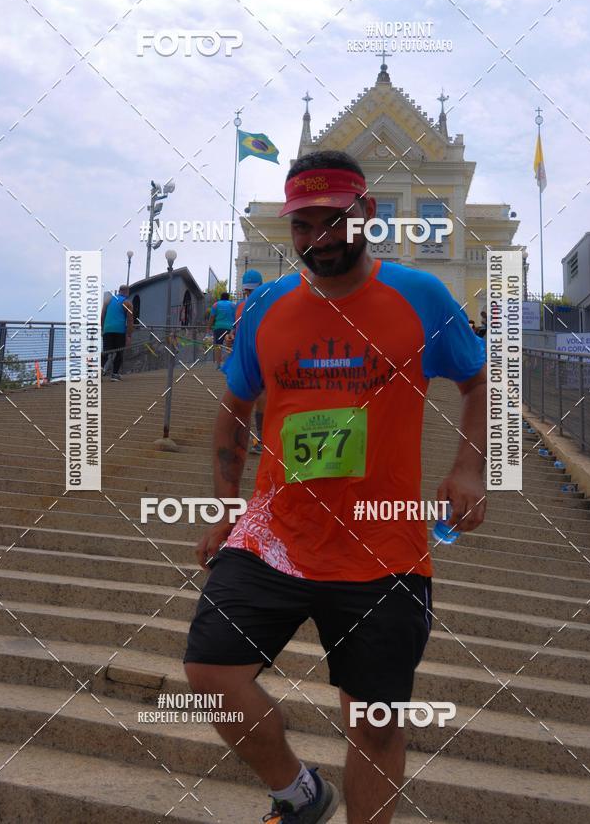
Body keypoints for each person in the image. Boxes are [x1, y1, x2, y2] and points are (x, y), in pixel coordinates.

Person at [184, 150, 487, 824]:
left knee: (375, 724)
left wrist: (469, 467)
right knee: (210, 673)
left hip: (386, 548)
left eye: (336, 219)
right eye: (303, 224)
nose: (319, 237)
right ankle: (298, 793)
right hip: (274, 536)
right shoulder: (267, 306)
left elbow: (477, 379)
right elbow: (235, 408)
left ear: (368, 216)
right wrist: (226, 510)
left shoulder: (421, 296)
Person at [235, 269, 266, 454]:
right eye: (248, 291)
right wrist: (232, 337)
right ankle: (256, 439)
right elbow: (237, 331)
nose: (250, 293)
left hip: (257, 356)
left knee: (258, 397)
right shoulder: (241, 306)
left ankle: (259, 439)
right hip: (247, 358)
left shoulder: (267, 303)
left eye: (252, 290)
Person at [101, 285, 133, 381]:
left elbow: (102, 315)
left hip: (107, 329)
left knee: (106, 351)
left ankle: (99, 370)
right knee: (119, 352)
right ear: (127, 292)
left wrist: (103, 329)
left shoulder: (108, 300)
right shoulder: (127, 303)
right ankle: (115, 374)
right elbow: (130, 320)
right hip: (120, 330)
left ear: (119, 291)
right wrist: (129, 335)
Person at [209, 292, 236, 367]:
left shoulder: (216, 305)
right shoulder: (233, 305)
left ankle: (218, 365)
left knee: (218, 346)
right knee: (229, 345)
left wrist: (208, 327)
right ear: (228, 297)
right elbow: (236, 316)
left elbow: (212, 317)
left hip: (218, 328)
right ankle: (230, 364)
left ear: (221, 297)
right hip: (230, 328)